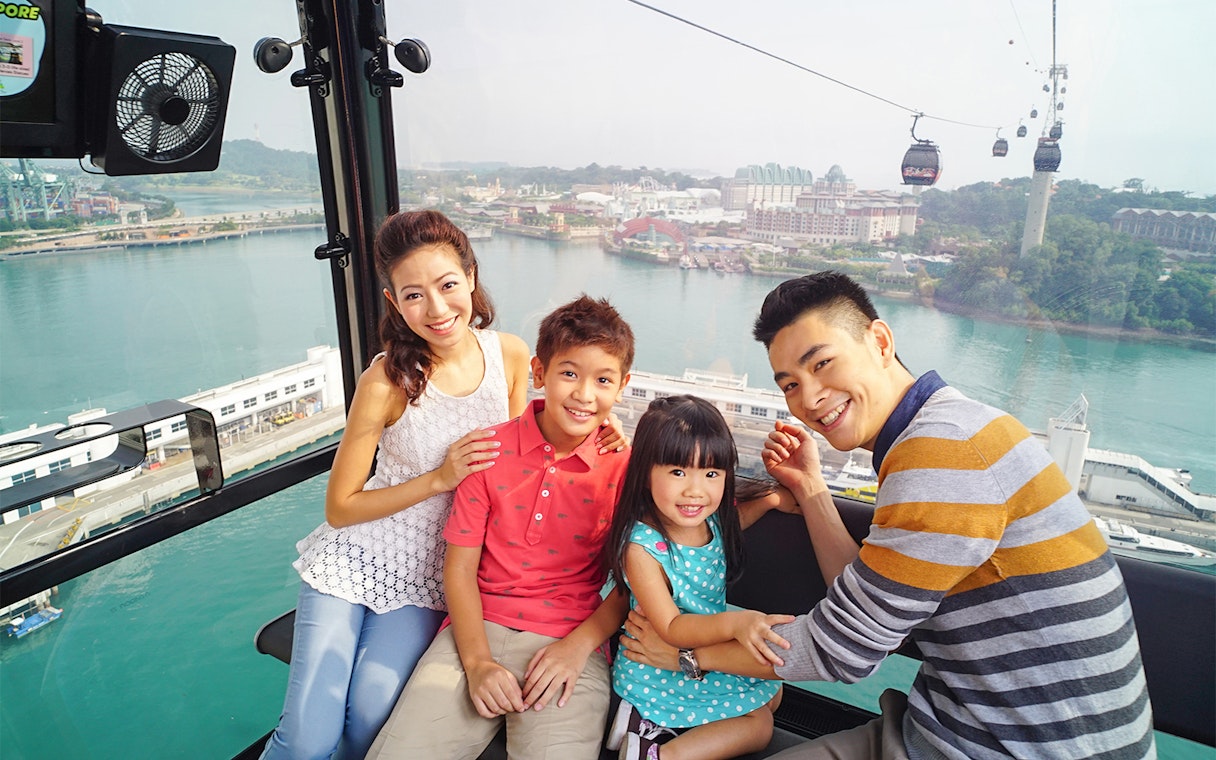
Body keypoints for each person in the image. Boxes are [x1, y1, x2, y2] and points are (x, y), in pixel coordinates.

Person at [620, 271, 1156, 759]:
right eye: (789, 384)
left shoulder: (944, 457)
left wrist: (687, 660)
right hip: (961, 724)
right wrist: (811, 489)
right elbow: (871, 612)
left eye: (822, 363)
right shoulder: (951, 429)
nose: (808, 398)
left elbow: (843, 654)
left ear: (880, 342)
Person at [260, 211, 624, 760]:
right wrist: (438, 478)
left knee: (371, 719)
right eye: (413, 296)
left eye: (447, 285)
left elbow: (528, 436)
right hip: (359, 557)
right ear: (393, 302)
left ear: (471, 278)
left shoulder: (509, 354)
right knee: (308, 735)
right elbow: (340, 507)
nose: (436, 308)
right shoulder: (386, 380)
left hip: (438, 569)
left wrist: (604, 420)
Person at [368, 295, 637, 760]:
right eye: (569, 373)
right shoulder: (486, 452)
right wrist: (476, 663)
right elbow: (460, 570)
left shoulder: (626, 468)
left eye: (603, 380)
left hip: (569, 640)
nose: (584, 394)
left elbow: (633, 583)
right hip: (474, 632)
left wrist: (577, 648)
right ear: (539, 373)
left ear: (622, 386)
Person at [604, 394, 792, 760]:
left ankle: (641, 727)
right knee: (759, 725)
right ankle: (657, 754)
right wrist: (736, 623)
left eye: (711, 473)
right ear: (644, 473)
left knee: (775, 693)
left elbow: (734, 523)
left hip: (690, 654)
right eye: (678, 472)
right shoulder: (642, 548)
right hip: (654, 666)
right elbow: (672, 627)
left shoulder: (712, 523)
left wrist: (770, 500)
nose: (695, 490)